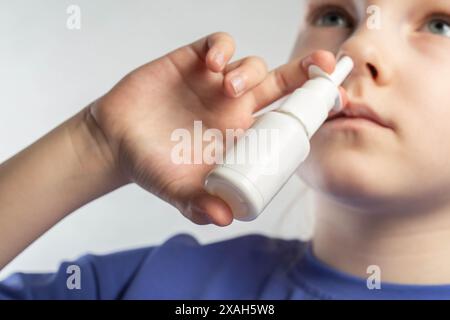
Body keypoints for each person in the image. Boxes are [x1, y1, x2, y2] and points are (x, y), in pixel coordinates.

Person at [2, 0, 450, 299]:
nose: (356, 45)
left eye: (439, 24)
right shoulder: (157, 286)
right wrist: (92, 146)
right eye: (334, 15)